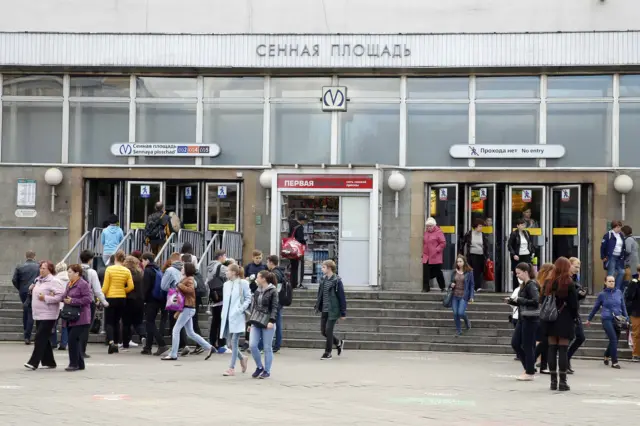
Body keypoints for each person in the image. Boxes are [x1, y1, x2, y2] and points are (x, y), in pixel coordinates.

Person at [162, 262, 215, 360]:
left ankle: (173, 354)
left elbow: (190, 290)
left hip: (188, 307)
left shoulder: (189, 279)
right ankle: (209, 347)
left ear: (187, 269)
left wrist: (178, 285)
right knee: (190, 332)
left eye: (183, 267)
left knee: (176, 330)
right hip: (188, 308)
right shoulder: (187, 278)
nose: (181, 268)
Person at [540, 257, 579, 392]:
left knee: (552, 348)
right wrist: (574, 318)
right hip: (565, 318)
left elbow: (542, 300)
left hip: (550, 319)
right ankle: (563, 382)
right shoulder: (569, 283)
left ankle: (553, 382)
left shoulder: (548, 282)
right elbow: (574, 305)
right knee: (563, 349)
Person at [24, 261, 64, 370]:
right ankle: (49, 361)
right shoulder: (38, 280)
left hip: (49, 314)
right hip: (38, 313)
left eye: (44, 268)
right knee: (44, 338)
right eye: (41, 268)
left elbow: (60, 296)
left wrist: (46, 298)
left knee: (39, 337)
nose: (41, 270)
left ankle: (33, 362)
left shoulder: (54, 281)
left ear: (50, 269)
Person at [586, 275, 629, 369]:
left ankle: (606, 355)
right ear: (605, 282)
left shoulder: (619, 292)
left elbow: (623, 306)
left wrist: (627, 318)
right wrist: (589, 318)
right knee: (613, 339)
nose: (611, 283)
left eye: (613, 281)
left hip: (618, 319)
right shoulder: (602, 294)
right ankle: (614, 362)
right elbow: (595, 308)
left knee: (615, 340)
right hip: (607, 319)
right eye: (609, 281)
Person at [507, 263, 540, 381]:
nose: (517, 276)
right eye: (516, 273)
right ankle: (529, 367)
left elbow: (536, 301)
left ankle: (529, 371)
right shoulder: (523, 285)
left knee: (527, 345)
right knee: (515, 343)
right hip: (522, 317)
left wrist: (519, 299)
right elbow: (525, 302)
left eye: (519, 273)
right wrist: (512, 301)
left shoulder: (532, 285)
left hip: (530, 319)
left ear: (526, 272)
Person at [219, 264, 252, 376]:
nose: (226, 273)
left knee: (234, 341)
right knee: (229, 344)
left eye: (228, 271)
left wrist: (240, 309)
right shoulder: (226, 284)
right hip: (227, 317)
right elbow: (225, 300)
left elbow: (248, 298)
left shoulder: (243, 283)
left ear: (234, 272)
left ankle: (231, 368)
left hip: (237, 316)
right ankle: (242, 358)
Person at [247, 270, 280, 378]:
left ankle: (267, 370)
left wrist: (272, 321)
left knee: (267, 347)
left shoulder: (273, 290)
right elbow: (254, 307)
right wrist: (249, 323)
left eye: (258, 277)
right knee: (252, 345)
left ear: (263, 279)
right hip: (256, 320)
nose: (256, 279)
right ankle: (259, 367)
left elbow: (275, 307)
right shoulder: (257, 290)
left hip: (267, 321)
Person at [101, 250, 134, 354]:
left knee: (109, 322)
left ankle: (110, 342)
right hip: (122, 298)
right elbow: (131, 286)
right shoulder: (127, 271)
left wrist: (99, 298)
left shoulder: (109, 269)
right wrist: (123, 290)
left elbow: (105, 286)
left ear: (115, 258)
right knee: (117, 321)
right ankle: (116, 343)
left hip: (111, 297)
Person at [62, 264, 93, 371]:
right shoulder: (69, 284)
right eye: (68, 271)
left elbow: (88, 299)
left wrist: (73, 301)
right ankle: (80, 363)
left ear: (77, 273)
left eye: (70, 272)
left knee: (72, 340)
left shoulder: (83, 284)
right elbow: (65, 295)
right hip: (71, 316)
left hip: (81, 317)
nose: (68, 274)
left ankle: (73, 363)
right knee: (74, 340)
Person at [315, 260, 347, 360]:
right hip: (324, 309)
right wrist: (317, 305)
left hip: (333, 309)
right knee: (323, 331)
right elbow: (320, 294)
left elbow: (342, 297)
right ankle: (338, 342)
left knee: (328, 330)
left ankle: (328, 353)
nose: (322, 269)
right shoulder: (323, 280)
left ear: (329, 268)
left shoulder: (337, 281)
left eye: (323, 267)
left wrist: (343, 312)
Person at [79, 249, 108, 359]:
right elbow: (97, 289)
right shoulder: (92, 272)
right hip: (88, 301)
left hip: (75, 302)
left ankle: (75, 347)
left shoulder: (74, 269)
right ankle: (82, 350)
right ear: (90, 260)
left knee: (76, 326)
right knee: (86, 326)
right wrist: (104, 301)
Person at [161, 255, 189, 356]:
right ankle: (184, 344)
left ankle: (178, 346)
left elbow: (163, 286)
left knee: (174, 320)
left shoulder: (170, 270)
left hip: (174, 296)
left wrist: (170, 289)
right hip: (185, 297)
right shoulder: (184, 269)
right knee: (181, 321)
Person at [140, 252, 168, 356]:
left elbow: (146, 287)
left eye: (142, 261)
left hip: (151, 300)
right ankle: (148, 347)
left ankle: (162, 344)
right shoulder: (157, 269)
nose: (142, 263)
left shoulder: (147, 270)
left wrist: (143, 299)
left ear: (147, 260)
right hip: (159, 300)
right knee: (150, 323)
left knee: (150, 323)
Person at [12, 250, 39, 345]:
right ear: (34, 256)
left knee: (26, 311)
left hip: (23, 291)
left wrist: (20, 288)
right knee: (31, 313)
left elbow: (14, 280)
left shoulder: (19, 267)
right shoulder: (38, 266)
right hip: (34, 291)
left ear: (25, 256)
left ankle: (26, 333)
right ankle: (28, 336)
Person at [567, 257, 587, 374]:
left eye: (579, 267)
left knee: (581, 337)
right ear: (569, 265)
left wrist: (581, 294)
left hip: (575, 311)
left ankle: (567, 357)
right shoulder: (565, 278)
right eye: (576, 266)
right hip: (568, 312)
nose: (578, 269)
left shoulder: (575, 278)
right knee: (568, 338)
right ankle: (564, 361)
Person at [533, 263, 554, 373]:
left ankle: (543, 365)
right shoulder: (540, 283)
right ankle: (535, 361)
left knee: (546, 341)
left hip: (545, 314)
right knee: (543, 340)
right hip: (542, 314)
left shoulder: (549, 283)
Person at [122, 256, 146, 350]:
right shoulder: (141, 273)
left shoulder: (125, 273)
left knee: (126, 323)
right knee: (138, 322)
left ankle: (125, 344)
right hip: (139, 300)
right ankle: (143, 336)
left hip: (128, 300)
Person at [207, 250, 229, 353]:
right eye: (225, 256)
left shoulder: (210, 267)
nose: (225, 258)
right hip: (221, 296)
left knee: (215, 321)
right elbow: (230, 277)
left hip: (213, 296)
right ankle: (221, 344)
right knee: (222, 322)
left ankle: (212, 343)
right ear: (221, 256)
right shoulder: (221, 267)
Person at [459, 219, 488, 292]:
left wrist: (487, 256)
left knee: (479, 271)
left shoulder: (483, 235)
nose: (481, 228)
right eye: (480, 226)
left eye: (482, 226)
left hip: (481, 255)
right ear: (475, 227)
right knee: (472, 271)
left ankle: (477, 286)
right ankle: (472, 286)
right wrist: (461, 253)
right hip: (472, 255)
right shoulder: (469, 234)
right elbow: (462, 243)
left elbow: (486, 246)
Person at [449, 255, 474, 336]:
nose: (459, 263)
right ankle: (459, 330)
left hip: (464, 296)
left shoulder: (469, 272)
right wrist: (451, 284)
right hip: (454, 296)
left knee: (460, 313)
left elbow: (471, 285)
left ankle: (467, 321)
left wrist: (471, 296)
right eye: (457, 262)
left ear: (464, 262)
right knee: (455, 313)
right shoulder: (454, 271)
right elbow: (450, 283)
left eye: (460, 261)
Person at [267, 255, 287, 352]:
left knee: (276, 323)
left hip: (276, 301)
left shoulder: (274, 273)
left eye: (267, 262)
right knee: (278, 323)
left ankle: (276, 345)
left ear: (271, 262)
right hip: (279, 300)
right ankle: (277, 344)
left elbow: (273, 288)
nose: (267, 264)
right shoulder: (280, 272)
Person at [422, 217, 446, 292]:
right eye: (427, 226)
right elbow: (425, 244)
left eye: (430, 226)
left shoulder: (439, 232)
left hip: (436, 256)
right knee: (426, 272)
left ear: (434, 225)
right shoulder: (426, 233)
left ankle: (442, 287)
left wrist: (436, 250)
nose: (428, 228)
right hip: (426, 256)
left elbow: (443, 243)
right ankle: (426, 288)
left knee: (438, 272)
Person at [508, 219, 533, 290]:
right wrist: (513, 255)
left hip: (526, 255)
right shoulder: (514, 234)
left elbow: (530, 243)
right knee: (518, 273)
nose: (523, 226)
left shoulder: (527, 233)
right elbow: (509, 245)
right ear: (517, 226)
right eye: (521, 225)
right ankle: (516, 289)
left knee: (527, 272)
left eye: (524, 225)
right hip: (518, 256)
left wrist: (532, 252)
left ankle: (526, 288)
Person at [600, 220, 626, 291]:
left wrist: (623, 256)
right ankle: (607, 289)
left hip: (619, 257)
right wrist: (603, 256)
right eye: (617, 227)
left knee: (622, 272)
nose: (619, 228)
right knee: (611, 273)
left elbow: (623, 247)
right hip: (611, 257)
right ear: (613, 227)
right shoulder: (608, 235)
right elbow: (603, 246)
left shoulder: (621, 235)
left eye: (620, 227)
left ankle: (616, 288)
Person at [52, 262, 69, 351]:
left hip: (57, 304)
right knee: (65, 325)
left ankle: (53, 342)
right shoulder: (70, 279)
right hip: (67, 305)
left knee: (53, 324)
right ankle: (64, 343)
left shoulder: (54, 279)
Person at [289, 214, 308, 290]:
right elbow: (300, 239)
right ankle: (298, 284)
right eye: (304, 221)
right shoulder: (299, 227)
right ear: (302, 221)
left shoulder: (292, 226)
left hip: (292, 250)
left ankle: (293, 284)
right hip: (298, 251)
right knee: (299, 267)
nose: (304, 222)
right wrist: (304, 243)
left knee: (293, 268)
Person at [625, 267, 640, 362]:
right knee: (637, 333)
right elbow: (629, 296)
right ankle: (636, 354)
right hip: (636, 311)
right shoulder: (634, 283)